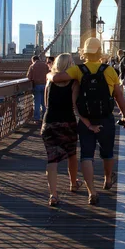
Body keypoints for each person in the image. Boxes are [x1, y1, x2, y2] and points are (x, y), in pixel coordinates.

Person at [48, 38, 125, 206]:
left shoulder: (77, 70)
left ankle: (91, 191)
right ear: (100, 53)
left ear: (84, 53)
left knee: (87, 156)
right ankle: (107, 179)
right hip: (105, 118)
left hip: (85, 119)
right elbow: (119, 96)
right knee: (107, 153)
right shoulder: (109, 71)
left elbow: (56, 78)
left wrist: (48, 73)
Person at [41, 53, 82, 207]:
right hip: (68, 123)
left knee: (52, 160)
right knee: (71, 154)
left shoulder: (49, 80)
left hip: (50, 122)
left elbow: (46, 103)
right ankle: (73, 183)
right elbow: (75, 105)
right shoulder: (74, 83)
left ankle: (53, 195)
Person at [26, 56, 49, 123]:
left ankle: (37, 118)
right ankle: (45, 117)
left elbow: (29, 77)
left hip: (37, 85)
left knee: (37, 103)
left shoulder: (32, 66)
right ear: (39, 59)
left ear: (33, 60)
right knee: (44, 102)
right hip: (45, 85)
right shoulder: (45, 65)